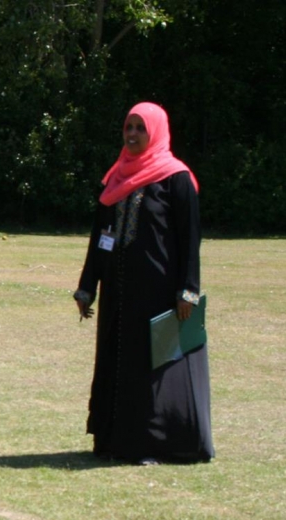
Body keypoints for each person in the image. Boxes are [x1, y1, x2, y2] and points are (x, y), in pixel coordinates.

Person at [73, 101, 214, 464]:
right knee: (118, 361)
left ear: (156, 132)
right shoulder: (115, 178)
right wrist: (87, 286)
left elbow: (190, 239)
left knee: (152, 366)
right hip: (119, 292)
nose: (132, 134)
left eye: (140, 128)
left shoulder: (176, 178)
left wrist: (188, 290)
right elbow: (99, 237)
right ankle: (115, 441)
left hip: (158, 293)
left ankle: (153, 444)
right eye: (129, 127)